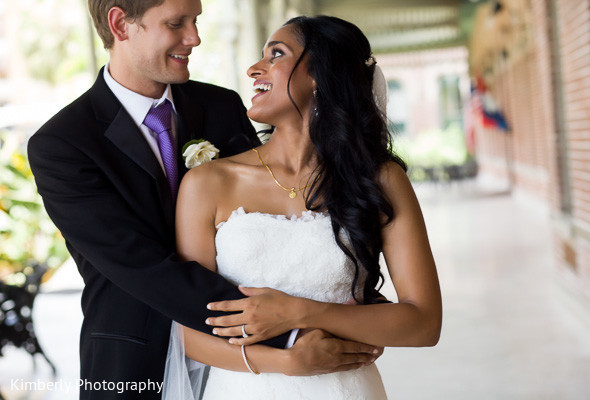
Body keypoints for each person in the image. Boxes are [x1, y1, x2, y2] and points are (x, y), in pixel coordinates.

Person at [27, 1, 380, 398]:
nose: (194, 38)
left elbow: (275, 219)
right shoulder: (62, 144)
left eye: (195, 21)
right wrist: (293, 331)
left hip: (244, 373)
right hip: (136, 363)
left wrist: (351, 299)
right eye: (176, 24)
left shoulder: (222, 106)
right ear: (120, 25)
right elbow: (142, 266)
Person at [165, 15, 442, 399]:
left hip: (346, 388)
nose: (253, 69)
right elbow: (187, 331)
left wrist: (301, 312)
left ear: (320, 73)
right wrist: (286, 362)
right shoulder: (209, 183)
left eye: (276, 54)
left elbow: (424, 324)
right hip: (245, 388)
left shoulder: (381, 179)